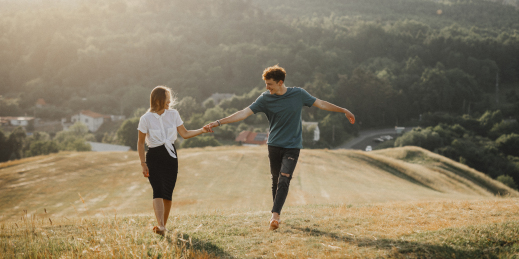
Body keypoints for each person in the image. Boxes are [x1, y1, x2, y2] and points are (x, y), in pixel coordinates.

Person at [204, 65, 355, 230]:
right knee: (276, 180)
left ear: (280, 82)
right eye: (266, 84)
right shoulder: (265, 98)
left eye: (270, 84)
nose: (267, 87)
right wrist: (218, 122)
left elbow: (322, 104)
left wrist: (344, 110)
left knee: (284, 178)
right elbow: (243, 113)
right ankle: (277, 214)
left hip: (292, 146)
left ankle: (274, 216)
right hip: (274, 145)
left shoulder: (299, 94)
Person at [137, 86, 211, 236]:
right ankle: (161, 225)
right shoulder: (145, 119)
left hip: (171, 156)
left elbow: (184, 133)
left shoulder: (173, 114)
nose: (170, 101)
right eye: (167, 98)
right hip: (154, 156)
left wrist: (201, 130)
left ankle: (163, 226)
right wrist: (143, 163)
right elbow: (140, 142)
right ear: (158, 99)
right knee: (157, 189)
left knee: (168, 192)